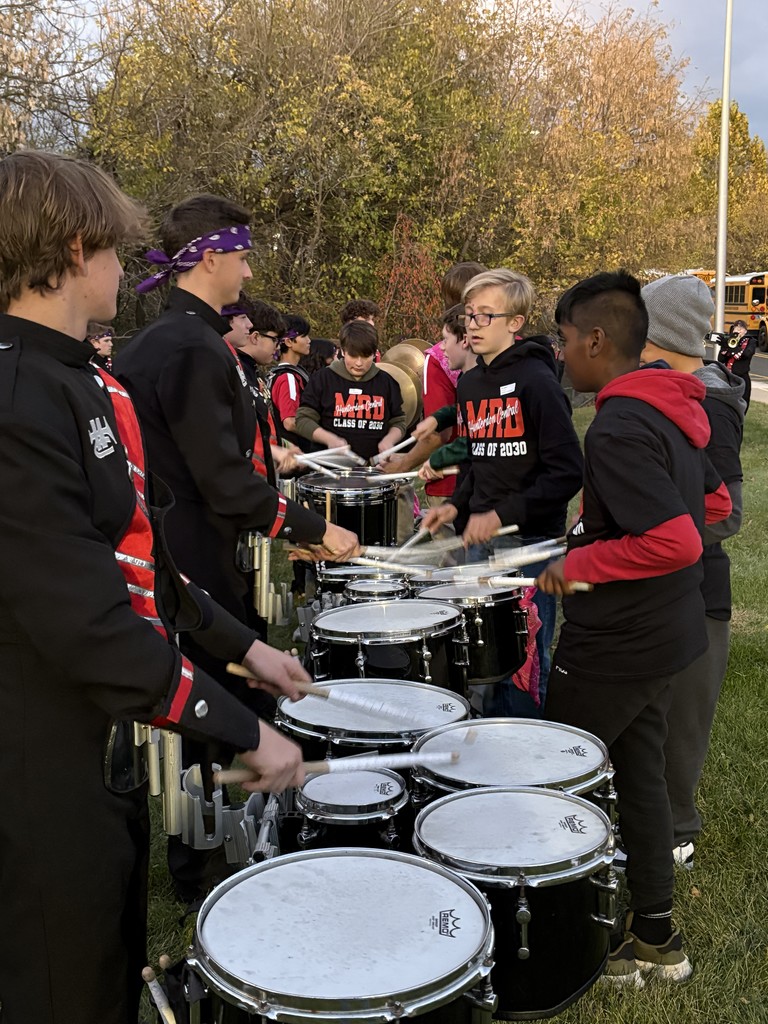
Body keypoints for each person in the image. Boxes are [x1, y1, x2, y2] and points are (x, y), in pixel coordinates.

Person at [0, 150, 311, 1024]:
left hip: (99, 751)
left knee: (110, 958)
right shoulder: (18, 397)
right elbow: (88, 623)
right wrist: (244, 728)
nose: (125, 270)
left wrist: (246, 650)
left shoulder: (79, 381)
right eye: (112, 250)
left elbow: (142, 570)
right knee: (64, 989)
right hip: (36, 762)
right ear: (71, 249)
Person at [115, 195, 359, 899]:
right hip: (192, 559)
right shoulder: (190, 349)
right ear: (214, 257)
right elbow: (222, 482)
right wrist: (316, 529)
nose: (249, 273)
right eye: (244, 257)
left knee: (213, 713)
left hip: (183, 551)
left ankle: (216, 853)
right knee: (212, 719)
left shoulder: (167, 343)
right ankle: (208, 869)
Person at [537, 270, 732, 986]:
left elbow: (678, 540)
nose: (561, 356)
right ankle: (655, 935)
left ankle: (562, 941)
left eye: (563, 342)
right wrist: (605, 528)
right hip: (667, 635)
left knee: (551, 775)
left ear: (595, 339)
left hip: (615, 644)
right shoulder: (673, 409)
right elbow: (711, 507)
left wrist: (583, 559)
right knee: (641, 778)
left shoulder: (619, 423)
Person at [422, 269, 583, 711]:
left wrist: (500, 514)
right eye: (469, 315)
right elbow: (478, 459)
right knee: (484, 654)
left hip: (530, 545)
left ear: (515, 322)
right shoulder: (472, 383)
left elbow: (568, 470)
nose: (472, 325)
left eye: (484, 316)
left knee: (526, 661)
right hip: (483, 546)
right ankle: (492, 742)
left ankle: (530, 754)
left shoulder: (537, 382)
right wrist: (456, 507)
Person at [640, 274, 745, 870]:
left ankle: (678, 825)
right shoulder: (650, 395)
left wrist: (648, 537)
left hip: (696, 591)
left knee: (683, 720)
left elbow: (727, 515)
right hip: (647, 590)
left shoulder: (710, 402)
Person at [294, 319, 406, 460]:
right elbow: (303, 419)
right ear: (343, 351)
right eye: (353, 356)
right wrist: (330, 439)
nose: (359, 363)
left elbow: (398, 421)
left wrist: (389, 440)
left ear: (374, 353)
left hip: (375, 467)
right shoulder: (323, 379)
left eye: (366, 356)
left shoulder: (387, 382)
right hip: (331, 469)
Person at [269, 313, 313, 451]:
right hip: (293, 453)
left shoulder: (286, 373)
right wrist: (322, 433)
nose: (309, 340)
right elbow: (290, 421)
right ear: (289, 342)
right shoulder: (288, 377)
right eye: (304, 336)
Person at [718, 319, 757, 409]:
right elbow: (721, 359)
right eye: (736, 328)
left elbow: (746, 354)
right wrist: (724, 346)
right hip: (728, 376)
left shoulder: (751, 342)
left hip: (741, 377)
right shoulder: (729, 341)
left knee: (742, 404)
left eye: (741, 328)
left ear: (745, 331)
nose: (739, 330)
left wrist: (731, 350)